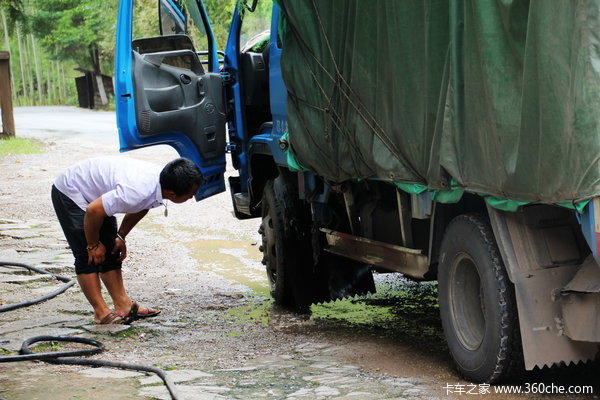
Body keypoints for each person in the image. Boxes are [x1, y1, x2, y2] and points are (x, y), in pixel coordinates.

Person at [51, 156, 203, 325]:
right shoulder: (136, 190)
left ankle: (123, 305)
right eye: (190, 195)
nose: (192, 197)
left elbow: (143, 206)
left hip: (98, 195)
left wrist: (121, 236)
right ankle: (101, 312)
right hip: (72, 190)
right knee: (87, 255)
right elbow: (94, 210)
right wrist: (93, 244)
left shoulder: (161, 183)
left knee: (111, 249)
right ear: (172, 194)